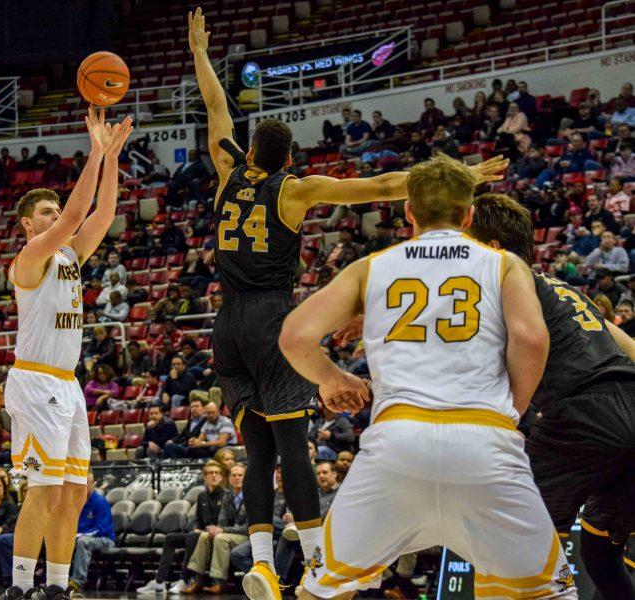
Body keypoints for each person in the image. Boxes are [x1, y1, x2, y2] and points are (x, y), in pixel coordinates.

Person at [189, 10, 511, 598]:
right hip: (270, 318)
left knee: (255, 451)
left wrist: (199, 52)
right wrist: (464, 173)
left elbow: (215, 111)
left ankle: (261, 561)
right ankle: (316, 562)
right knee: (293, 446)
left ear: (250, 150)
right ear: (289, 159)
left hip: (225, 324)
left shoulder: (227, 172)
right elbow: (387, 187)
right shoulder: (296, 188)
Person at [278, 155, 575, 600]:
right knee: (545, 592)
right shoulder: (503, 264)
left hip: (397, 443)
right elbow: (532, 339)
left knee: (323, 590)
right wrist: (512, 406)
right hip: (484, 443)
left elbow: (295, 335)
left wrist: (334, 379)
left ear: (409, 211)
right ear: (469, 213)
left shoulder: (372, 266)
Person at [466, 193, 635, 600]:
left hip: (584, 415)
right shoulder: (560, 288)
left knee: (507, 541)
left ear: (491, 249)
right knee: (598, 550)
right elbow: (627, 343)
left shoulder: (504, 283)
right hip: (630, 400)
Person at [0, 108, 132, 600]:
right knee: (45, 490)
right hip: (35, 383)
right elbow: (79, 214)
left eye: (56, 212)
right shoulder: (29, 259)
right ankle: (18, 589)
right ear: (27, 224)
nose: (57, 218)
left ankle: (56, 587)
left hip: (68, 384)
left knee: (76, 491)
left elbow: (102, 215)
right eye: (47, 214)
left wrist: (112, 158)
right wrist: (94, 152)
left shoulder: (71, 257)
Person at [137, 461, 226, 595]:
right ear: (204, 476)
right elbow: (197, 519)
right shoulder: (202, 496)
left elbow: (224, 521)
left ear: (221, 477)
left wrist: (201, 531)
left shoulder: (226, 495)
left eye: (217, 473)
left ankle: (184, 579)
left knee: (192, 537)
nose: (214, 476)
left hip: (217, 535)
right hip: (201, 533)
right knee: (171, 538)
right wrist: (196, 527)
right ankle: (159, 581)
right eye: (210, 473)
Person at [183, 463, 248, 594]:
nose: (237, 478)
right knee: (205, 536)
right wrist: (218, 529)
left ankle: (220, 582)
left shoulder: (251, 497)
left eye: (240, 475)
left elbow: (248, 527)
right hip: (231, 534)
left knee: (220, 538)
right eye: (233, 475)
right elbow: (221, 522)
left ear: (246, 478)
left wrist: (223, 530)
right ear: (229, 479)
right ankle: (198, 579)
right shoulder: (227, 497)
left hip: (247, 536)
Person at [68, 472, 115, 592]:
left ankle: (77, 582)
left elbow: (102, 529)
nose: (83, 486)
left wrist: (78, 535)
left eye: (86, 483)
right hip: (81, 538)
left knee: (83, 541)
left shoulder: (100, 502)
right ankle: (53, 579)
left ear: (92, 484)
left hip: (105, 539)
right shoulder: (76, 502)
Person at [163, 401, 234, 459]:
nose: (211, 415)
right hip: (210, 449)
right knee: (192, 449)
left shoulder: (225, 422)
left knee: (211, 449)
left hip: (225, 449)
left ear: (218, 411)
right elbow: (200, 439)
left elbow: (221, 443)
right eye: (209, 413)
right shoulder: (207, 423)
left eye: (213, 412)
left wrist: (202, 443)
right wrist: (194, 442)